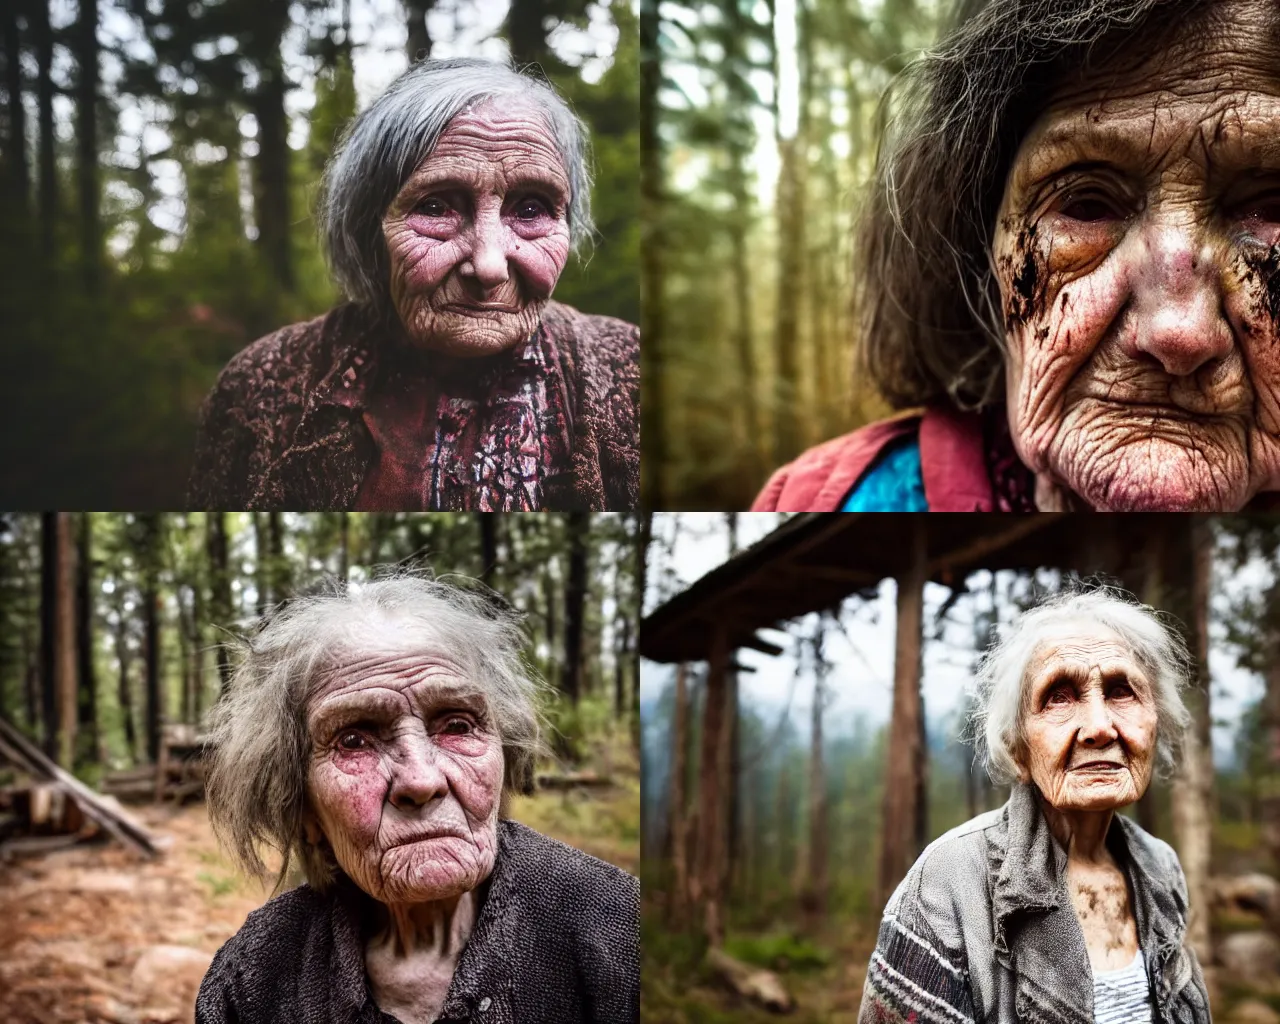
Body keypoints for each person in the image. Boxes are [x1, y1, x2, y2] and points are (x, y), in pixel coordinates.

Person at [754, 0, 1280, 512]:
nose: (1177, 333)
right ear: (980, 252)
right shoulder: (829, 501)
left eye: (1271, 209)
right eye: (1087, 205)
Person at [188, 58, 638, 511]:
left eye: (530, 211)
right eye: (437, 207)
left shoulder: (633, 368)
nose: (489, 265)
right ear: (369, 228)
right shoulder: (256, 387)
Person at [195, 575, 639, 1023]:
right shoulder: (256, 977)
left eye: (458, 726)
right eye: (353, 740)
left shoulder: (621, 929)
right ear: (303, 807)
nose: (422, 780)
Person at [859, 588, 1210, 1023]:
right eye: (1059, 697)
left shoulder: (1161, 867)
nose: (1099, 727)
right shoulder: (947, 882)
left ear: (1155, 721)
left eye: (1121, 691)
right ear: (1018, 748)